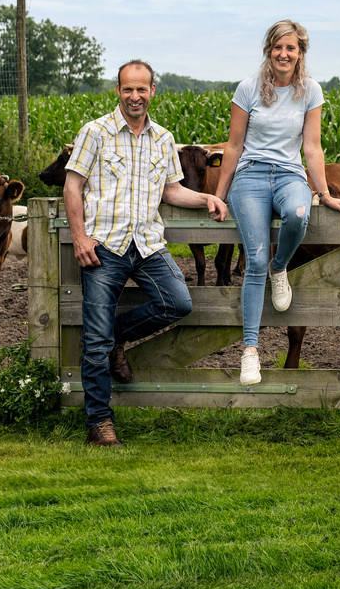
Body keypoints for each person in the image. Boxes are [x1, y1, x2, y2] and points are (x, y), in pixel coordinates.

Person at [64, 59, 228, 447]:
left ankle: (115, 337)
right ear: (118, 91)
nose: (134, 96)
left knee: (178, 303)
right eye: (127, 89)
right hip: (104, 246)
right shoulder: (95, 133)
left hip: (148, 245)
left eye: (142, 89)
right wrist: (80, 238)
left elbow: (170, 191)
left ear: (153, 91)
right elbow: (73, 187)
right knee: (95, 342)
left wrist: (206, 197)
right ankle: (100, 425)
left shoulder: (164, 139)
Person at [212, 21, 340, 386]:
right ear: (268, 51)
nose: (284, 54)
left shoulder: (311, 92)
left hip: (290, 175)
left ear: (300, 52)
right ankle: (251, 352)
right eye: (278, 47)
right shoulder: (248, 89)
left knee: (298, 215)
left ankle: (280, 267)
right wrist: (220, 193)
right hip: (251, 177)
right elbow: (234, 146)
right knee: (253, 258)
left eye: (291, 48)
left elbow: (313, 148)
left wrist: (321, 192)